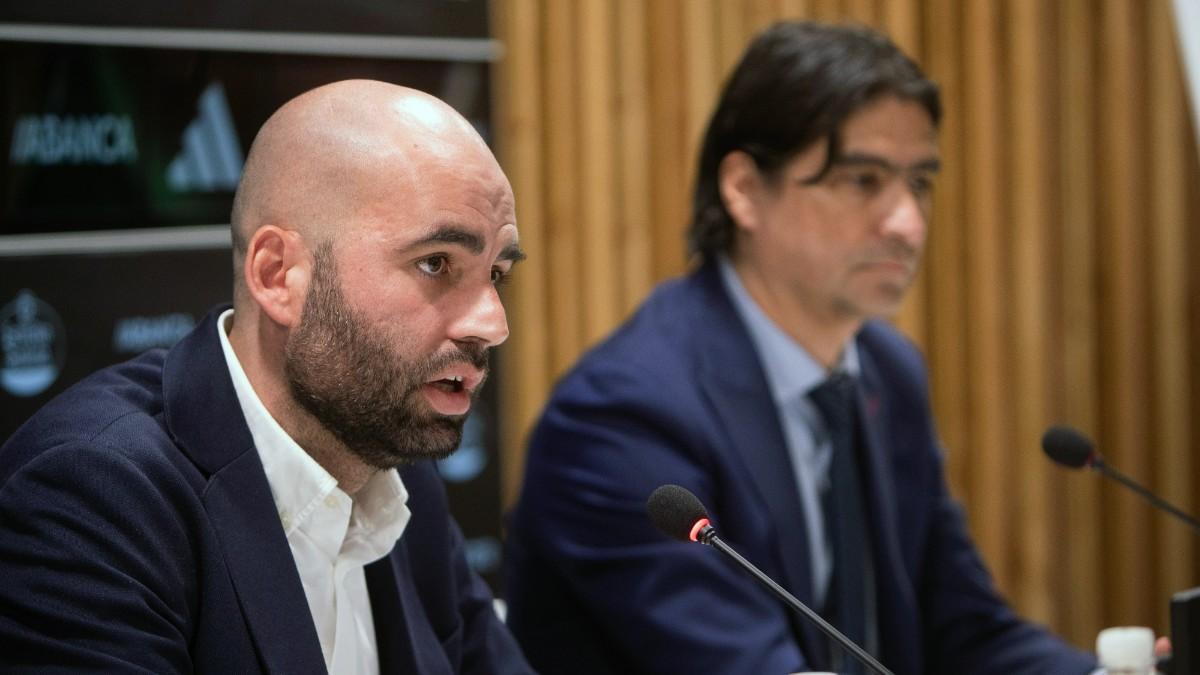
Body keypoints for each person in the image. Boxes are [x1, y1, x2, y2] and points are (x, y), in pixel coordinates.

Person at [504, 22, 1098, 675]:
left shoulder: (887, 373)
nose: (908, 222)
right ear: (745, 190)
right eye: (863, 180)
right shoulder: (622, 416)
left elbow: (965, 631)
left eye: (919, 182)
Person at [0, 80, 534, 674]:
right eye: (435, 264)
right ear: (279, 276)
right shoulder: (92, 500)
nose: (492, 323)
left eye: (497, 275)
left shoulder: (396, 472)